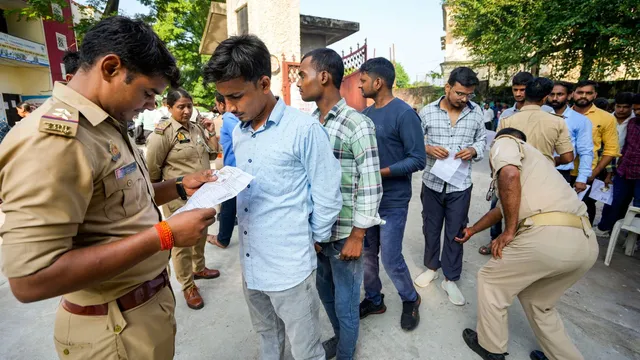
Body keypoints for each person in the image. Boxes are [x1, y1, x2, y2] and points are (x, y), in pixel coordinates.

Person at [0, 16, 219, 359]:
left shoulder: (105, 124)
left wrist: (178, 186)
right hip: (112, 331)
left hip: (140, 315)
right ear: (111, 67)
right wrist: (165, 235)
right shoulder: (55, 139)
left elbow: (122, 198)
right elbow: (31, 279)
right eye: (147, 93)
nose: (150, 105)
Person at [203, 34, 342, 360]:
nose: (230, 107)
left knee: (306, 349)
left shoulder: (303, 130)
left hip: (291, 269)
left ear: (264, 83)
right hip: (252, 265)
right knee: (267, 337)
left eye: (236, 96)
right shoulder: (238, 131)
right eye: (223, 98)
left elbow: (328, 193)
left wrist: (314, 238)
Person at [456, 128, 598, 360]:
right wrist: (472, 230)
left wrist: (509, 232)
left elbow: (509, 174)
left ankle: (491, 348)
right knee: (539, 302)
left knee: (491, 280)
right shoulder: (539, 174)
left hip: (548, 238)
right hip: (585, 244)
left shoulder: (507, 141)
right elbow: (501, 210)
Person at [297, 48, 383, 360]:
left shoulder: (356, 124)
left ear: (324, 77)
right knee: (326, 295)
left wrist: (358, 236)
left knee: (347, 304)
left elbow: (372, 184)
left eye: (302, 75)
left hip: (346, 235)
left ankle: (346, 353)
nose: (297, 82)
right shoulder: (309, 124)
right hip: (318, 235)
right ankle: (341, 340)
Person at [358, 57, 426, 331]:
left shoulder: (404, 114)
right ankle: (374, 299)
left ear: (378, 82)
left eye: (363, 81)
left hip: (393, 202)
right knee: (367, 255)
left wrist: (381, 172)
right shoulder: (366, 116)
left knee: (390, 257)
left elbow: (418, 159)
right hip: (367, 200)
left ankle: (410, 298)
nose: (360, 86)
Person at [414, 67, 486, 306]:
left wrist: (474, 150)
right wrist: (428, 148)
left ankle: (450, 278)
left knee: (456, 231)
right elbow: (415, 140)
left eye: (468, 95)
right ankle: (432, 267)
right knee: (431, 227)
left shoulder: (477, 114)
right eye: (459, 93)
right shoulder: (427, 112)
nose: (464, 99)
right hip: (432, 183)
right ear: (447, 88)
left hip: (460, 185)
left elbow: (482, 141)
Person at [145, 87, 221, 310]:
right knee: (181, 243)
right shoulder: (163, 133)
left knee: (200, 233)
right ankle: (187, 285)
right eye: (181, 107)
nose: (187, 111)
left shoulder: (197, 128)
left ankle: (199, 268)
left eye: (189, 106)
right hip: (178, 198)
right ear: (168, 108)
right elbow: (152, 171)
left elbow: (211, 154)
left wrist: (210, 132)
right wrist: (165, 195)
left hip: (203, 194)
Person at [572, 80, 619, 225]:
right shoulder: (563, 114)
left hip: (588, 172)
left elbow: (612, 149)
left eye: (588, 93)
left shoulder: (606, 118)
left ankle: (585, 242)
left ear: (595, 95)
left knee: (585, 208)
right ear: (573, 94)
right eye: (580, 92)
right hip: (563, 170)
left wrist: (596, 171)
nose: (583, 96)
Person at [497, 77, 574, 165]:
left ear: (525, 94)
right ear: (545, 98)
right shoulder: (558, 122)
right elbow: (567, 158)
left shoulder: (506, 121)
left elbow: (497, 152)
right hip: (544, 173)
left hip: (514, 173)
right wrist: (552, 161)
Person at [596, 93, 640, 235]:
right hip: (614, 165)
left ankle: (631, 235)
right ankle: (605, 227)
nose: (621, 110)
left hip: (631, 169)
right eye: (618, 106)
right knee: (613, 200)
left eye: (625, 107)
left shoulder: (633, 121)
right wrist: (611, 171)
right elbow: (613, 148)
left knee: (636, 205)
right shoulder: (609, 119)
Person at [208, 91, 240, 249]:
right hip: (237, 166)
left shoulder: (228, 117)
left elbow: (239, 137)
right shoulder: (238, 116)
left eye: (216, 103)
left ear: (222, 104)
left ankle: (222, 239)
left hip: (233, 168)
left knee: (227, 205)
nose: (216, 107)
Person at [545, 81, 594, 185]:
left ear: (569, 96)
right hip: (539, 170)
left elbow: (585, 151)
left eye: (560, 94)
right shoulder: (541, 116)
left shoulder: (580, 120)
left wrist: (582, 178)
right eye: (551, 94)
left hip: (562, 172)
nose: (554, 98)